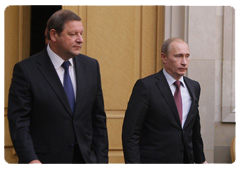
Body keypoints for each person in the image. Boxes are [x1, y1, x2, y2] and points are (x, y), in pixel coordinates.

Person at [8, 9, 108, 164]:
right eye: (73, 34)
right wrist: (31, 159)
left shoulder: (91, 66)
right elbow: (19, 121)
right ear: (54, 35)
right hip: (44, 161)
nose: (80, 39)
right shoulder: (26, 70)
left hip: (86, 161)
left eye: (81, 33)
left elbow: (98, 119)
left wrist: (101, 162)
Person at [122, 38, 207, 164]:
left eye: (187, 56)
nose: (184, 62)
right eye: (178, 56)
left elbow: (194, 129)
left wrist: (201, 161)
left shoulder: (194, 87)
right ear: (164, 57)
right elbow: (131, 134)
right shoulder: (146, 87)